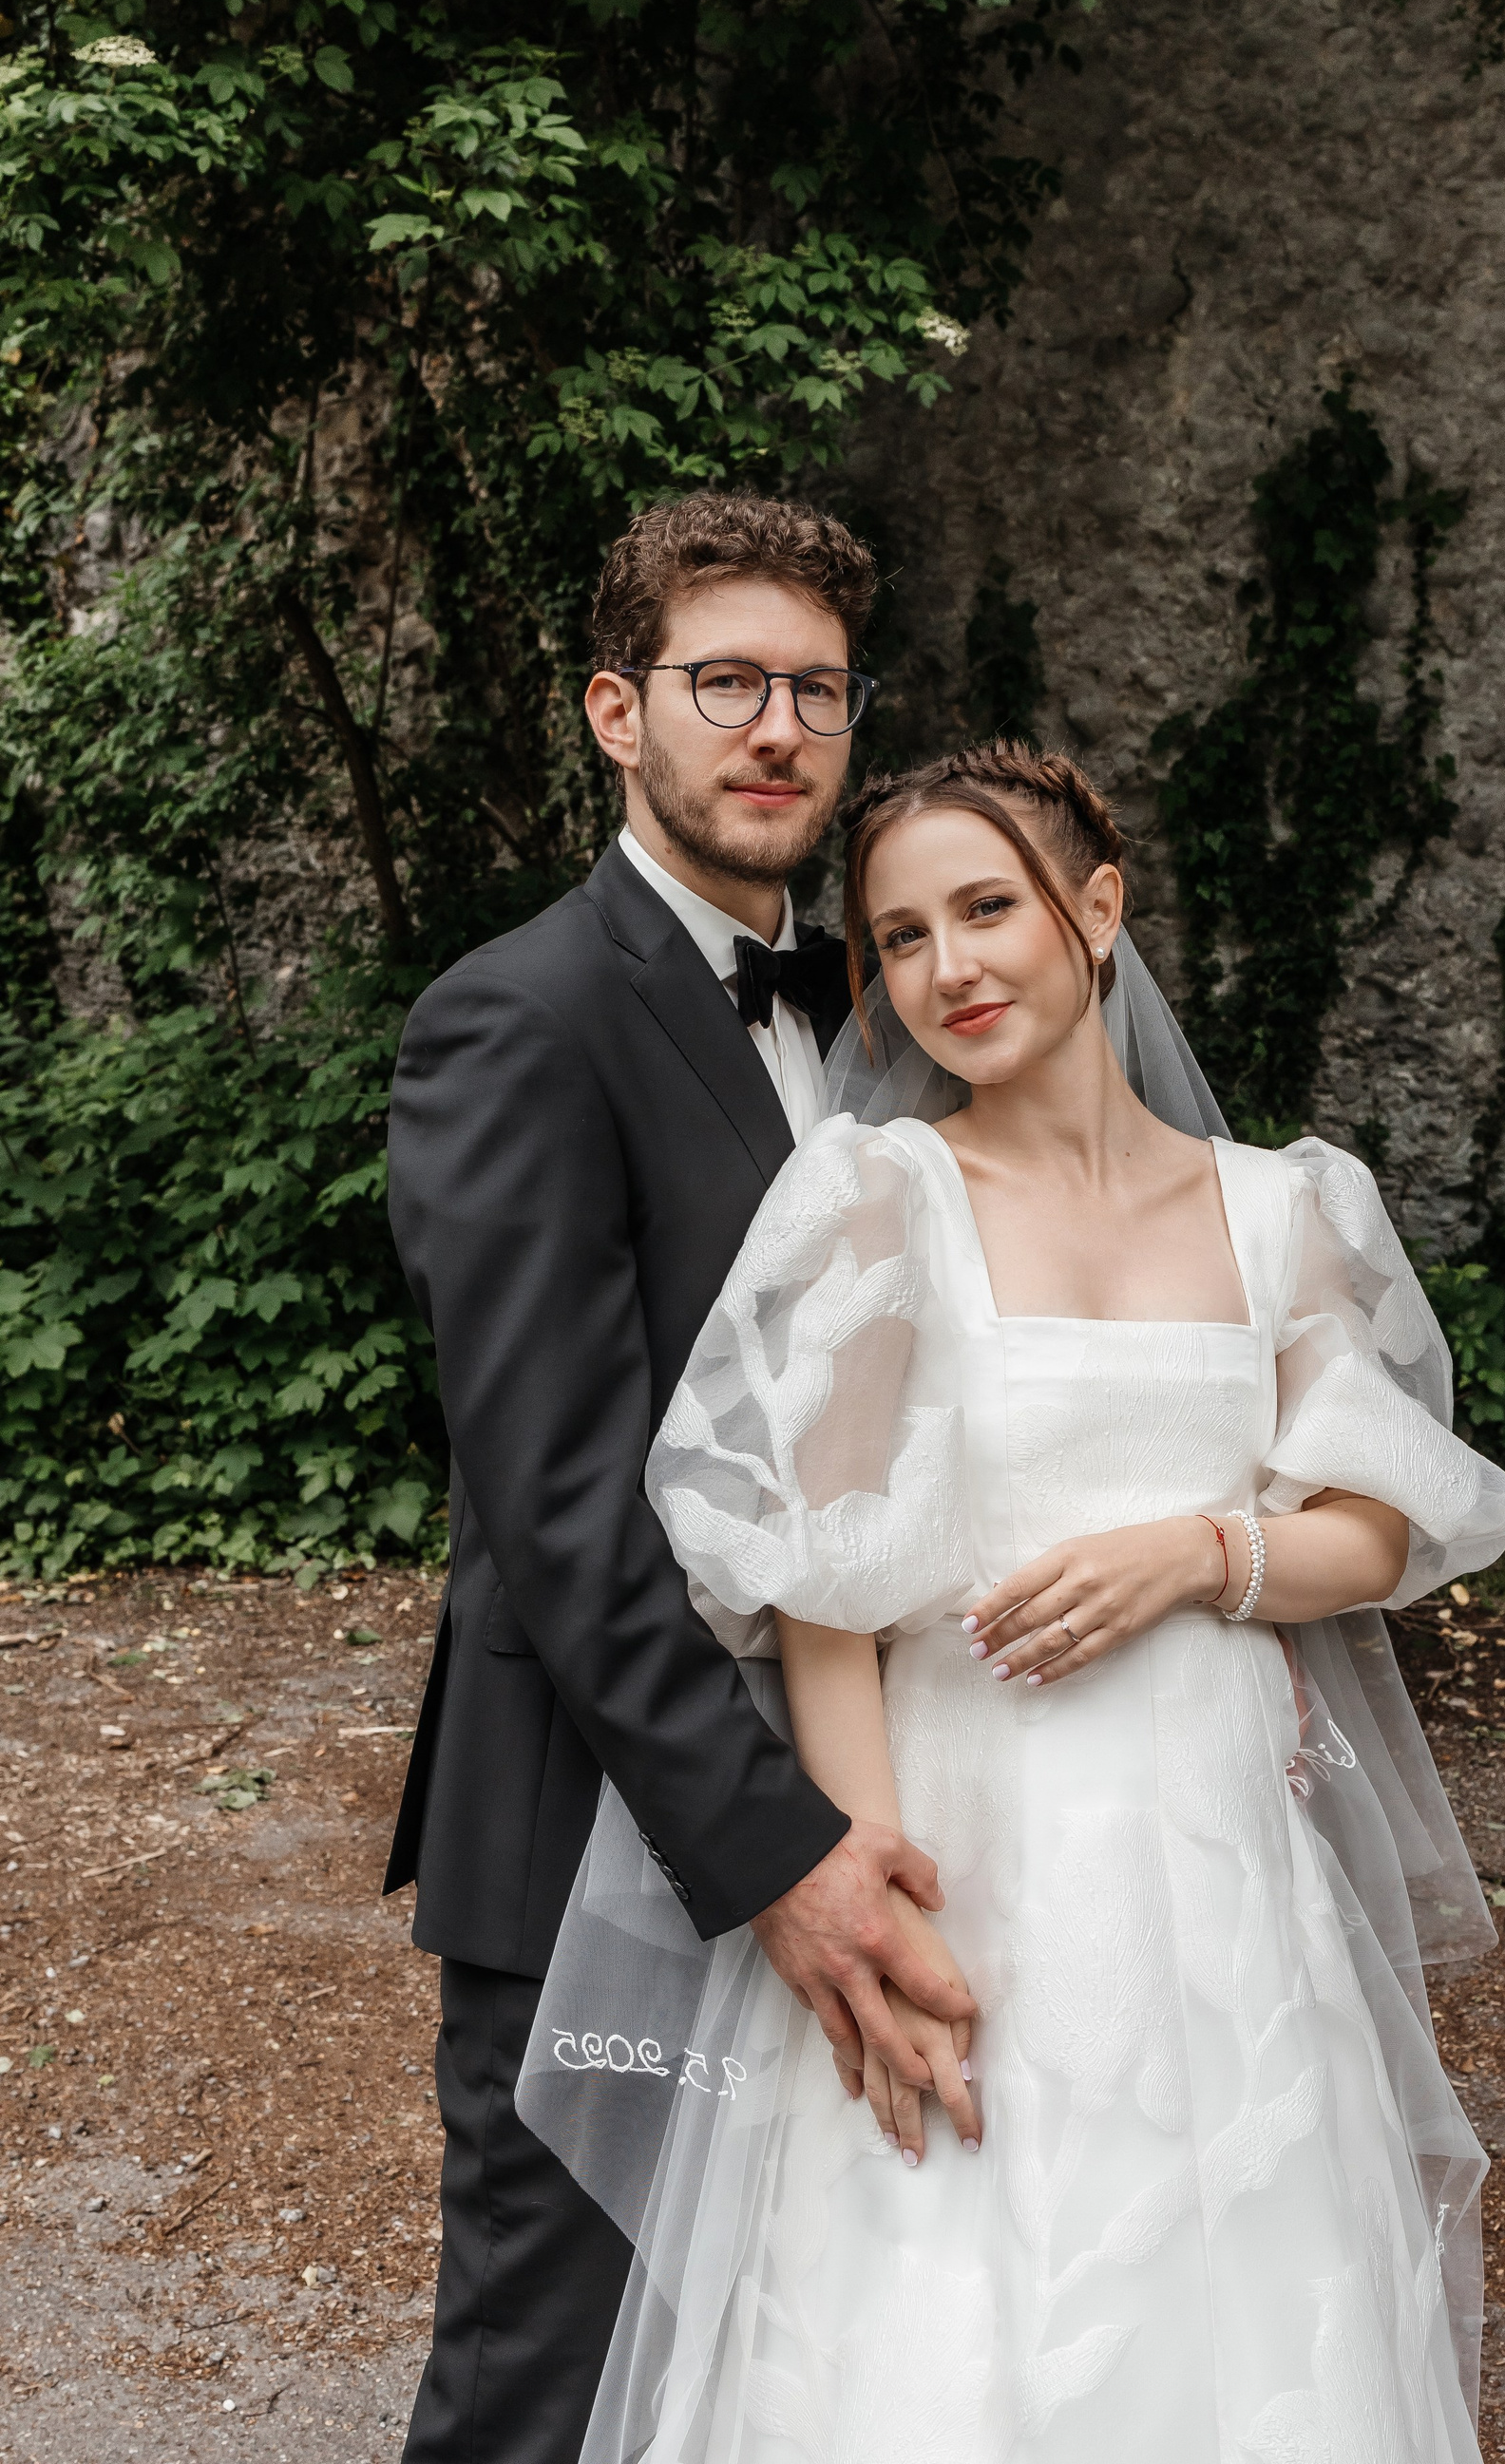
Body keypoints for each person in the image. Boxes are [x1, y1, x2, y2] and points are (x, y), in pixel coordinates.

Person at [524, 742, 1505, 2464]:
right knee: (937, 2310)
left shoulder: (1282, 1209)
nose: (949, 970)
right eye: (902, 939)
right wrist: (865, 1883)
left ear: (1099, 908)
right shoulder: (878, 1200)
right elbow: (825, 1590)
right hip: (971, 1849)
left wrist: (1204, 1554)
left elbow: (1383, 1527)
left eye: (986, 909)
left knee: (1242, 2309)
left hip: (1220, 1863)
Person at [383, 494, 974, 2464]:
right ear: (615, 712)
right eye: (728, 682)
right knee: (550, 2392)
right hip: (606, 1829)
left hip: (884, 1783)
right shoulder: (520, 1015)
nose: (781, 728)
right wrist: (778, 1854)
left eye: (820, 688)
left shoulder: (894, 1012)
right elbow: (557, 1508)